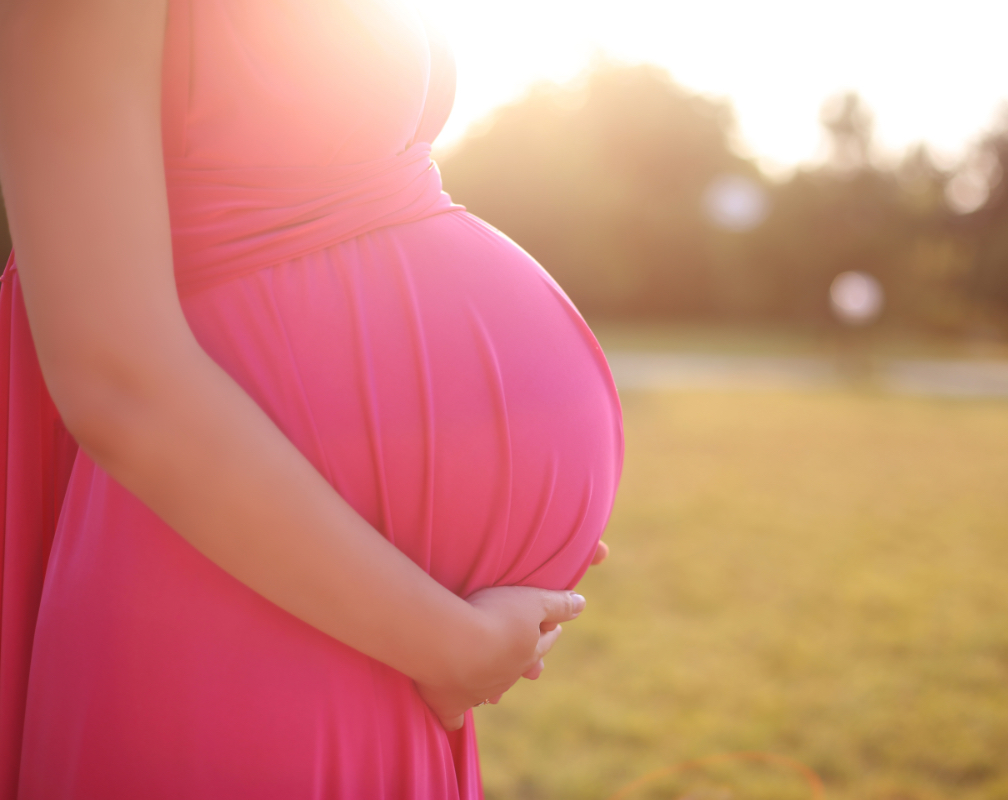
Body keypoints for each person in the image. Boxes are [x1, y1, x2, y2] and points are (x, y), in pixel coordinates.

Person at [0, 0, 623, 797]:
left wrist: (508, 532)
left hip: (376, 604)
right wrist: (454, 644)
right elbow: (112, 374)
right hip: (225, 585)